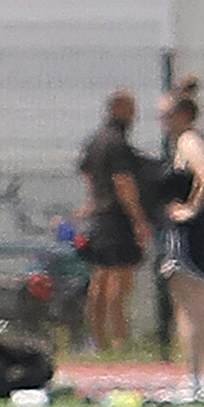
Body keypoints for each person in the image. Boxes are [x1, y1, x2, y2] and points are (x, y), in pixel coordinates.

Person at [156, 86, 204, 400]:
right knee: (196, 307)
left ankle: (197, 378)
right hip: (194, 231)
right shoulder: (185, 141)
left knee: (188, 307)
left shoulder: (187, 140)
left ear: (182, 116)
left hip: (185, 234)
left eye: (165, 115)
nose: (161, 121)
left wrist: (192, 208)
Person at [78, 89, 150, 352]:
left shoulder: (95, 140)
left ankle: (99, 340)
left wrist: (91, 202)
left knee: (99, 278)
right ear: (117, 108)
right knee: (120, 281)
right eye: (131, 108)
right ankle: (119, 340)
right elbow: (123, 181)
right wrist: (138, 219)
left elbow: (87, 174)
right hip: (117, 217)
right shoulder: (117, 142)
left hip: (99, 215)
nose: (135, 115)